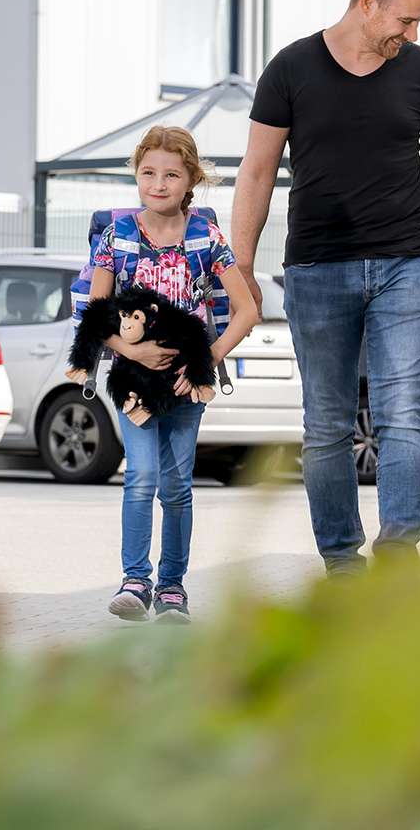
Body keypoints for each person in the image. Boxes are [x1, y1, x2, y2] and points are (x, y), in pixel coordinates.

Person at [234, 0, 420, 574]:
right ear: (367, 2)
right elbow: (255, 173)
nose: (411, 35)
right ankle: (341, 562)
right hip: (317, 268)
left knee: (399, 412)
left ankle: (398, 556)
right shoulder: (291, 68)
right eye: (406, 20)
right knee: (327, 423)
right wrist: (242, 268)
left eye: (418, 24)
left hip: (407, 263)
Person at [69, 126, 258, 622]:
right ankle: (135, 581)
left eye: (171, 174)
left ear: (191, 179)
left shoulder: (207, 238)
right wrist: (135, 352)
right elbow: (96, 314)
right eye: (148, 172)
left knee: (177, 485)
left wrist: (205, 361)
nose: (158, 183)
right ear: (137, 175)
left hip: (185, 386)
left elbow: (245, 311)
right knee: (142, 477)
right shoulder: (118, 237)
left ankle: (172, 588)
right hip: (133, 382)